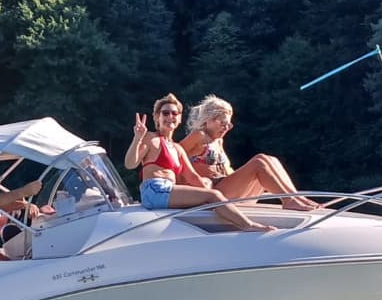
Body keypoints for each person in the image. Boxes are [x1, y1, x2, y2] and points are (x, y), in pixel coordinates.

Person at [124, 93, 274, 232]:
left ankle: (230, 218)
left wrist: (217, 194)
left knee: (212, 195)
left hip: (167, 191)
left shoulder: (177, 149)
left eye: (175, 113)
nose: (170, 116)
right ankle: (248, 226)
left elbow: (193, 178)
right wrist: (137, 138)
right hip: (154, 190)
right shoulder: (151, 138)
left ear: (180, 118)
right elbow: (130, 164)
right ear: (157, 117)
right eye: (165, 113)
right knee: (212, 196)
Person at [180, 95, 318, 211]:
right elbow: (173, 153)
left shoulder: (218, 142)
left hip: (227, 188)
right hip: (213, 194)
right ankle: (289, 201)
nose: (227, 128)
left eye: (229, 124)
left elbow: (228, 171)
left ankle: (295, 197)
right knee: (259, 161)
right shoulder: (198, 136)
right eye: (223, 123)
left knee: (270, 159)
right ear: (209, 120)